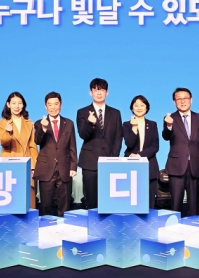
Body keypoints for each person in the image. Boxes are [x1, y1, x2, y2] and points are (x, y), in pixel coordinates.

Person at [162, 87, 199, 217]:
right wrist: (169, 125)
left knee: (194, 206)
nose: (182, 101)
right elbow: (166, 136)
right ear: (174, 102)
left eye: (185, 98)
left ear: (191, 100)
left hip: (196, 166)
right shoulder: (169, 118)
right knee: (175, 206)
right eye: (179, 99)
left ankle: (193, 228)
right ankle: (173, 228)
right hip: (176, 166)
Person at [77, 78, 122, 209]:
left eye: (102, 90)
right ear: (90, 92)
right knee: (91, 200)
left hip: (109, 161)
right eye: (96, 90)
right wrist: (90, 124)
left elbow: (118, 137)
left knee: (108, 199)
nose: (99, 93)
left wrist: (112, 159)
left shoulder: (115, 113)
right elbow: (82, 135)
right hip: (90, 162)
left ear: (107, 93)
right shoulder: (82, 112)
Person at [34, 91, 77, 217]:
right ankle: (46, 227)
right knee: (46, 205)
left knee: (65, 205)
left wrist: (73, 166)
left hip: (64, 168)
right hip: (46, 169)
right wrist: (43, 128)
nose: (53, 107)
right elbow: (37, 141)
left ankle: (64, 227)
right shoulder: (39, 123)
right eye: (50, 104)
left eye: (56, 104)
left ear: (61, 105)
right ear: (45, 107)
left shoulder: (68, 123)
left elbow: (72, 146)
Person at [0, 92, 39, 209]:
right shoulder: (2, 123)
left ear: (23, 105)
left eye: (20, 103)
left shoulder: (29, 123)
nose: (17, 106)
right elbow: (3, 142)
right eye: (14, 103)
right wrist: (8, 132)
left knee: (29, 198)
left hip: (27, 164)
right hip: (10, 165)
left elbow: (32, 146)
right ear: (8, 105)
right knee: (12, 199)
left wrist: (34, 166)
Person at [123, 95, 160, 209]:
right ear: (132, 108)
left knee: (149, 202)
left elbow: (155, 146)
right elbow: (129, 144)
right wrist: (134, 128)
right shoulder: (126, 125)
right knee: (132, 201)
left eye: (142, 105)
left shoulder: (152, 124)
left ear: (147, 108)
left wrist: (139, 155)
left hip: (149, 166)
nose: (139, 108)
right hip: (131, 166)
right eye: (136, 105)